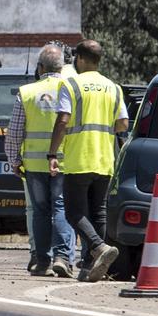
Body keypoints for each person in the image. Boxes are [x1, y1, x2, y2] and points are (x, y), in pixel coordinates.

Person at [56, 40, 127, 283]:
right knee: (98, 212)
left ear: (81, 59)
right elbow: (123, 124)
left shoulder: (71, 84)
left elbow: (63, 120)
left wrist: (52, 153)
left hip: (79, 158)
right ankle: (89, 266)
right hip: (104, 159)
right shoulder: (113, 87)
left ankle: (98, 248)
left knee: (74, 212)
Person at [5, 45, 74, 277]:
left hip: (34, 165)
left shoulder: (26, 92)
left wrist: (14, 160)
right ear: (62, 67)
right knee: (62, 208)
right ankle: (63, 258)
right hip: (65, 162)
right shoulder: (72, 89)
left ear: (40, 68)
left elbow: (14, 132)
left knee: (41, 212)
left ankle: (42, 261)